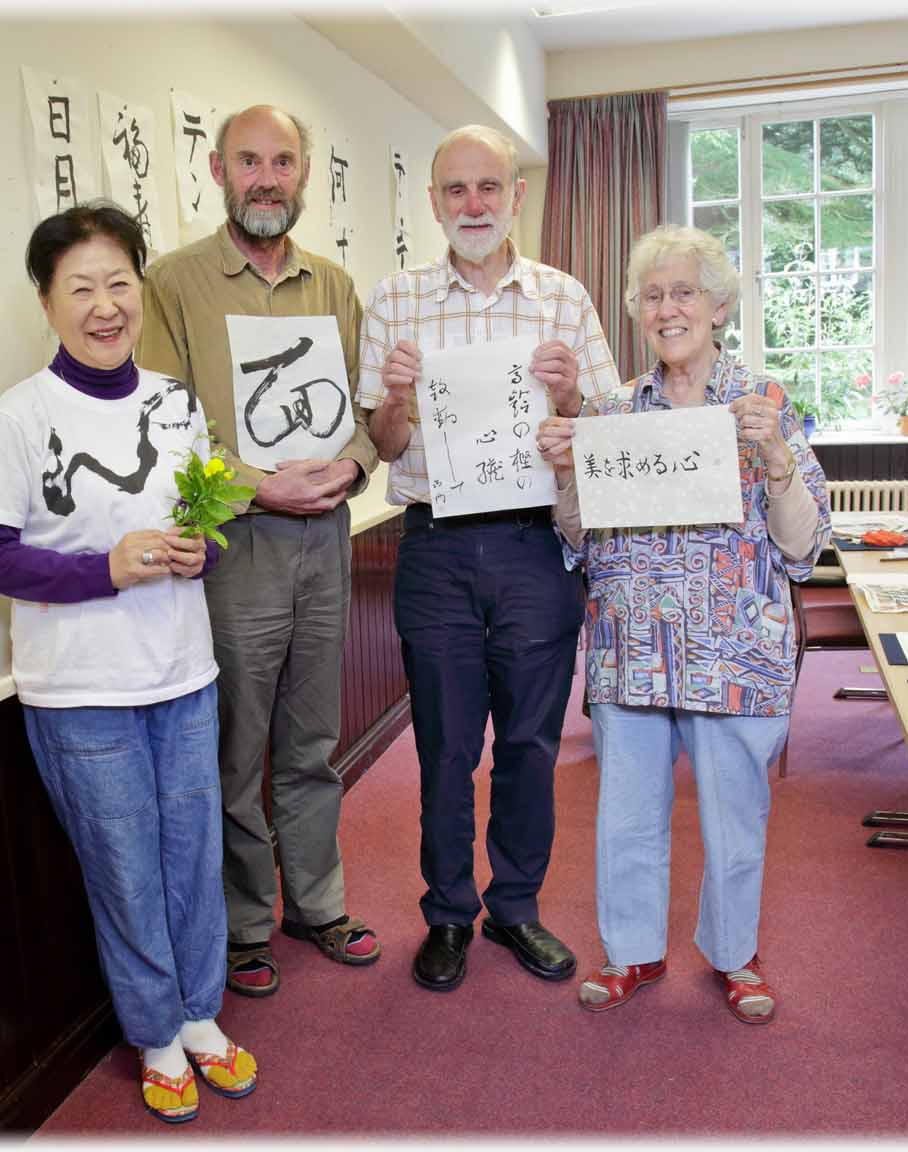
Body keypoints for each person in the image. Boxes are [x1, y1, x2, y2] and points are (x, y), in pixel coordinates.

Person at [0, 202, 256, 1123]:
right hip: (80, 690)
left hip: (183, 670)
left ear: (141, 288)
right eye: (79, 288)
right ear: (46, 302)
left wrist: (196, 552)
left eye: (118, 283)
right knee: (123, 868)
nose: (104, 305)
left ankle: (203, 1016)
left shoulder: (173, 402)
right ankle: (157, 1035)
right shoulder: (21, 415)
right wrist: (106, 567)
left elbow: (204, 528)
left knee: (193, 858)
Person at [535, 223, 831, 1025]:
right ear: (638, 311)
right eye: (653, 295)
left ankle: (736, 955)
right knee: (628, 813)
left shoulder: (763, 405)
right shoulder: (612, 413)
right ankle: (633, 949)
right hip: (632, 649)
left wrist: (774, 460)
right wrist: (567, 475)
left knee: (735, 815)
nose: (669, 309)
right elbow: (575, 536)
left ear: (720, 305)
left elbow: (804, 547)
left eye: (685, 292)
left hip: (735, 650)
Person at [357, 124, 622, 993]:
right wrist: (395, 396)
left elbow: (606, 427)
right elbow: (387, 443)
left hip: (533, 546)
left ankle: (515, 906)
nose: (472, 204)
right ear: (433, 202)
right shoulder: (395, 300)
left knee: (530, 743)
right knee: (441, 745)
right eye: (454, 190)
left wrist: (572, 398)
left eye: (488, 188)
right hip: (434, 548)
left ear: (515, 197)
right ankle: (447, 914)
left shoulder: (561, 297)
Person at [137, 104, 382, 999]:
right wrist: (255, 484)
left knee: (313, 741)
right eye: (250, 160)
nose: (267, 177)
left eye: (283, 161)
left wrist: (351, 470)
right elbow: (162, 425)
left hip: (326, 539)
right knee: (237, 748)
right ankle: (244, 925)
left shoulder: (334, 284)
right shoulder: (174, 283)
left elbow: (364, 420)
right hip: (234, 546)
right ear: (216, 170)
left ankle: (317, 904)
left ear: (305, 174)